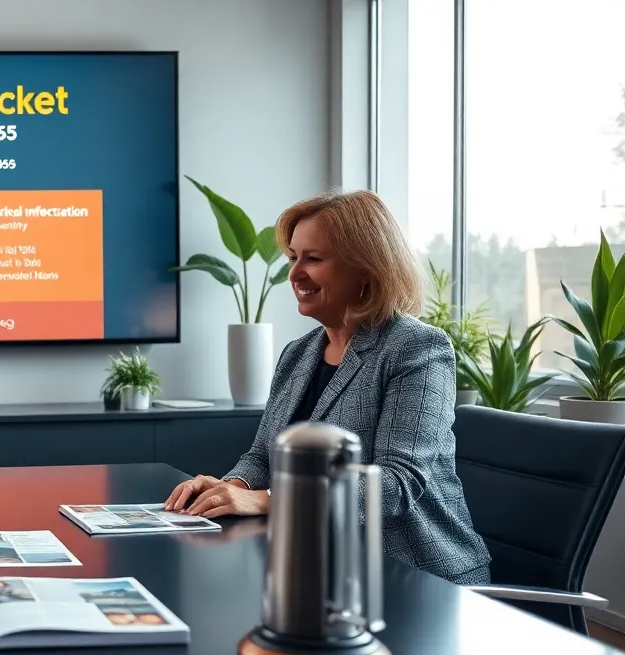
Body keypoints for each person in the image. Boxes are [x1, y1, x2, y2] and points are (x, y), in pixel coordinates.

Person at [163, 189, 491, 586]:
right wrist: (228, 489)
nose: (295, 274)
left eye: (313, 259)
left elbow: (394, 485)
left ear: (366, 268)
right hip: (321, 566)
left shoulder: (416, 348)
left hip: (414, 577)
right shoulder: (298, 354)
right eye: (293, 258)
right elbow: (263, 456)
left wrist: (267, 500)